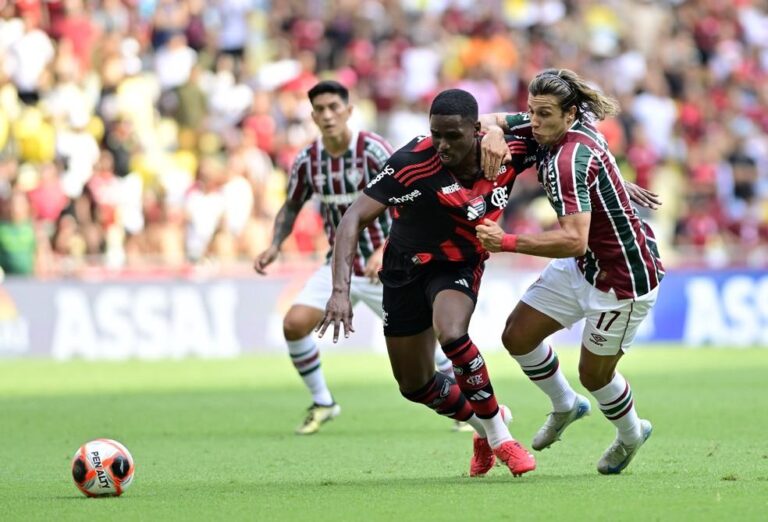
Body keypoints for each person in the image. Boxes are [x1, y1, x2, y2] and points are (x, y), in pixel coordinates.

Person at [317, 88, 537, 477]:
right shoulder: (410, 162)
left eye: (453, 135)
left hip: (458, 263)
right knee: (414, 384)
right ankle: (486, 424)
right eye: (436, 133)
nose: (442, 144)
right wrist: (339, 291)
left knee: (451, 333)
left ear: (476, 129)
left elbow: (561, 126)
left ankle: (501, 439)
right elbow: (352, 219)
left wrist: (613, 185)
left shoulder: (509, 152)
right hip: (404, 269)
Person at [476, 68, 664, 475]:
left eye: (544, 115)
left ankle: (632, 433)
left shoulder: (567, 160)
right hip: (584, 265)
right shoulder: (552, 126)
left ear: (571, 114)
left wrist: (505, 241)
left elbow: (572, 239)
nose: (535, 123)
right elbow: (485, 119)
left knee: (595, 375)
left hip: (622, 279)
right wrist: (492, 132)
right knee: (517, 335)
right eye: (531, 112)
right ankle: (565, 404)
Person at [254, 80, 455, 435]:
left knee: (433, 343)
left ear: (349, 110)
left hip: (388, 266)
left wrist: (385, 247)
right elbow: (292, 206)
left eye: (334, 107)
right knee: (294, 323)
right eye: (320, 109)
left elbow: (411, 195)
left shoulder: (374, 151)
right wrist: (274, 244)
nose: (328, 115)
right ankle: (323, 402)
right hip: (340, 268)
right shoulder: (308, 160)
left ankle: (464, 405)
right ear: (312, 115)